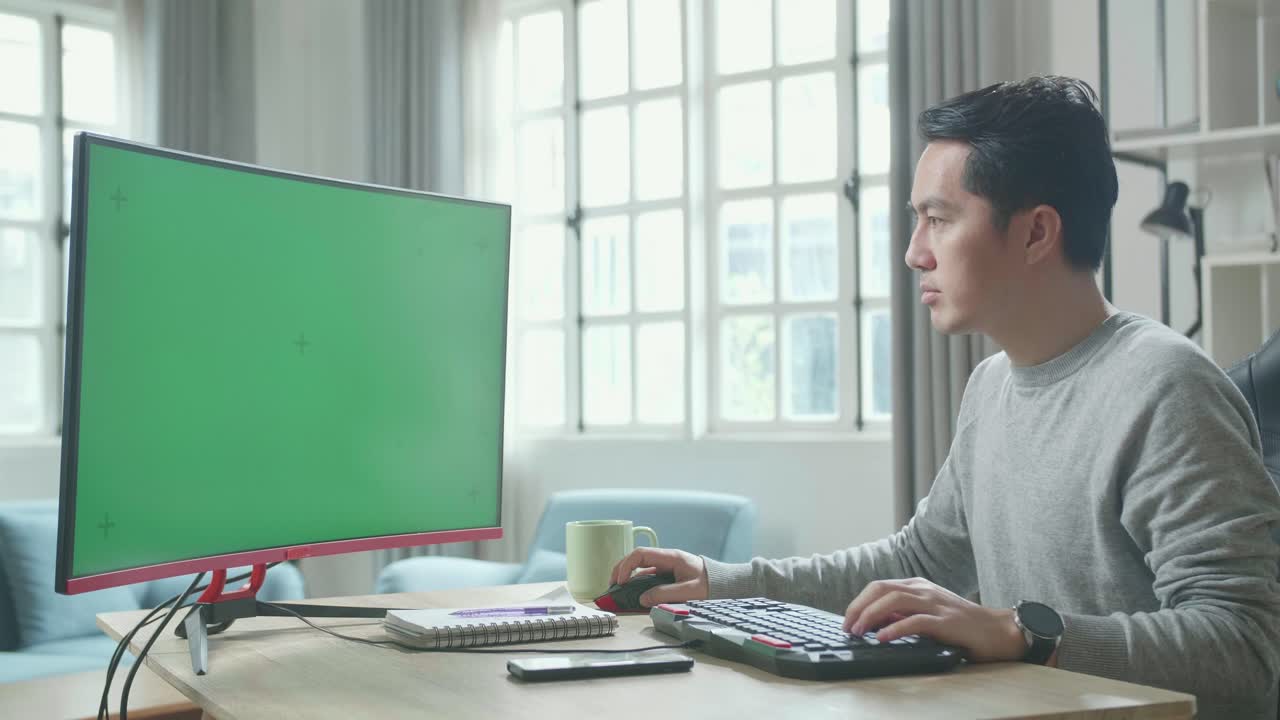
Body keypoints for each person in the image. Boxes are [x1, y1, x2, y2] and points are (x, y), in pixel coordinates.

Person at [609, 75, 1280, 720]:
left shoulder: (1165, 386)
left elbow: (1246, 652)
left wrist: (1023, 632)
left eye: (938, 219)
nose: (913, 253)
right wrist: (723, 581)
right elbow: (921, 564)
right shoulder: (992, 385)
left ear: (1037, 232)